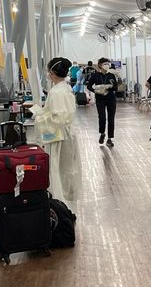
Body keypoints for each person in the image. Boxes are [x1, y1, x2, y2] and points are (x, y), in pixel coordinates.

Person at [30, 57, 81, 206]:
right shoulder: (66, 88)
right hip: (68, 133)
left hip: (58, 135)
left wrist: (39, 116)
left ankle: (59, 204)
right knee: (68, 168)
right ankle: (66, 204)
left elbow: (57, 117)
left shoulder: (56, 92)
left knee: (57, 170)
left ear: (52, 72)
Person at [86, 57, 118, 147]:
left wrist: (109, 87)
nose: (106, 65)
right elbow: (89, 86)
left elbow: (116, 87)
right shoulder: (95, 75)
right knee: (102, 117)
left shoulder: (111, 75)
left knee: (111, 119)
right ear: (100, 65)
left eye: (108, 63)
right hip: (100, 99)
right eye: (104, 64)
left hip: (111, 99)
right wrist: (96, 90)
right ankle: (102, 133)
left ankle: (110, 138)